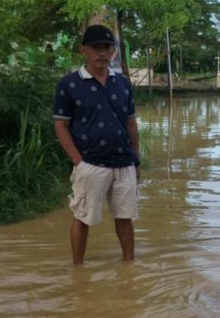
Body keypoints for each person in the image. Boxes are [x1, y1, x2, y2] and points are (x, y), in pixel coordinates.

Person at [53, 24, 141, 265]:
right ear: (84, 50)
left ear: (113, 50)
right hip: (90, 163)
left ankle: (129, 267)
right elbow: (61, 126)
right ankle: (78, 269)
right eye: (96, 48)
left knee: (125, 217)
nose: (101, 53)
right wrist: (77, 161)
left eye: (107, 47)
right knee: (83, 217)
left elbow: (131, 123)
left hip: (124, 163)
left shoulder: (122, 83)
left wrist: (136, 159)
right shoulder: (69, 84)